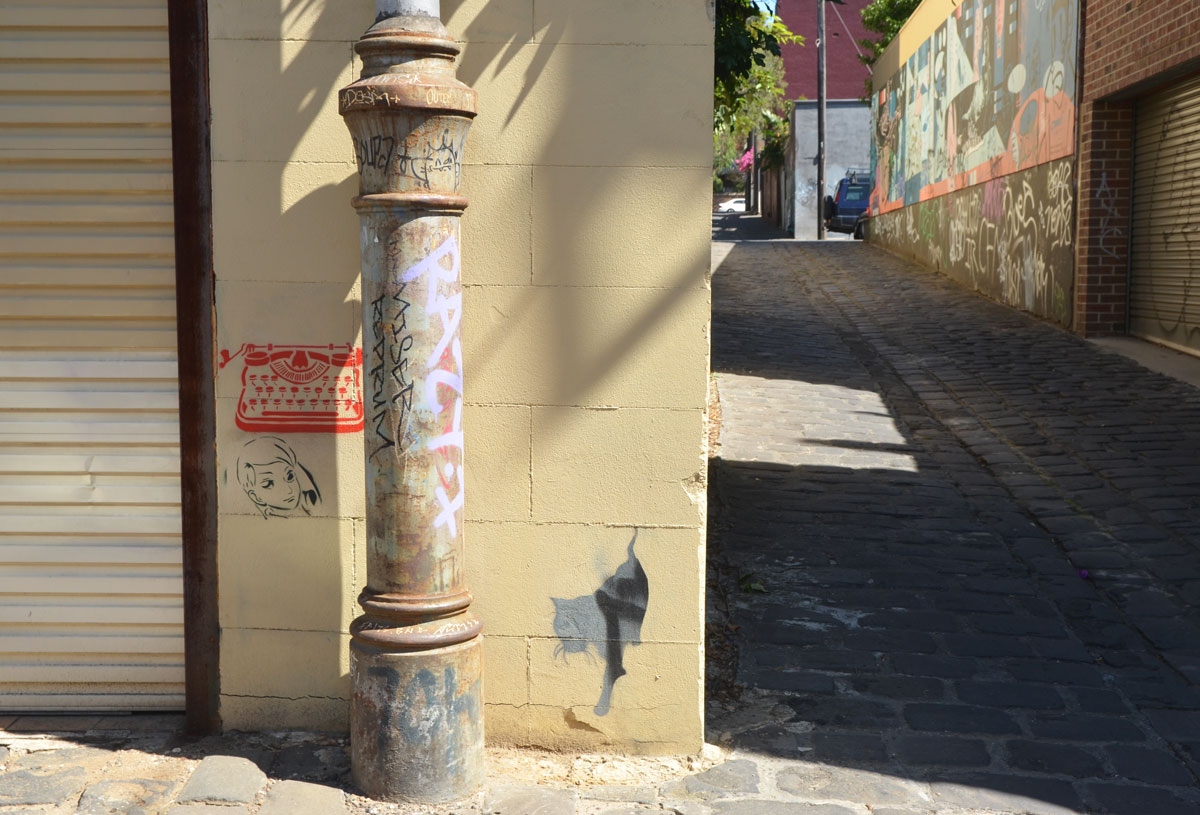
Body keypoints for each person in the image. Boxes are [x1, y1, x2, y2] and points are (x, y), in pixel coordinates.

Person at [236, 436, 321, 518]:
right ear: (255, 497)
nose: (289, 490)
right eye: (269, 484)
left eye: (289, 476)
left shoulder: (309, 503)